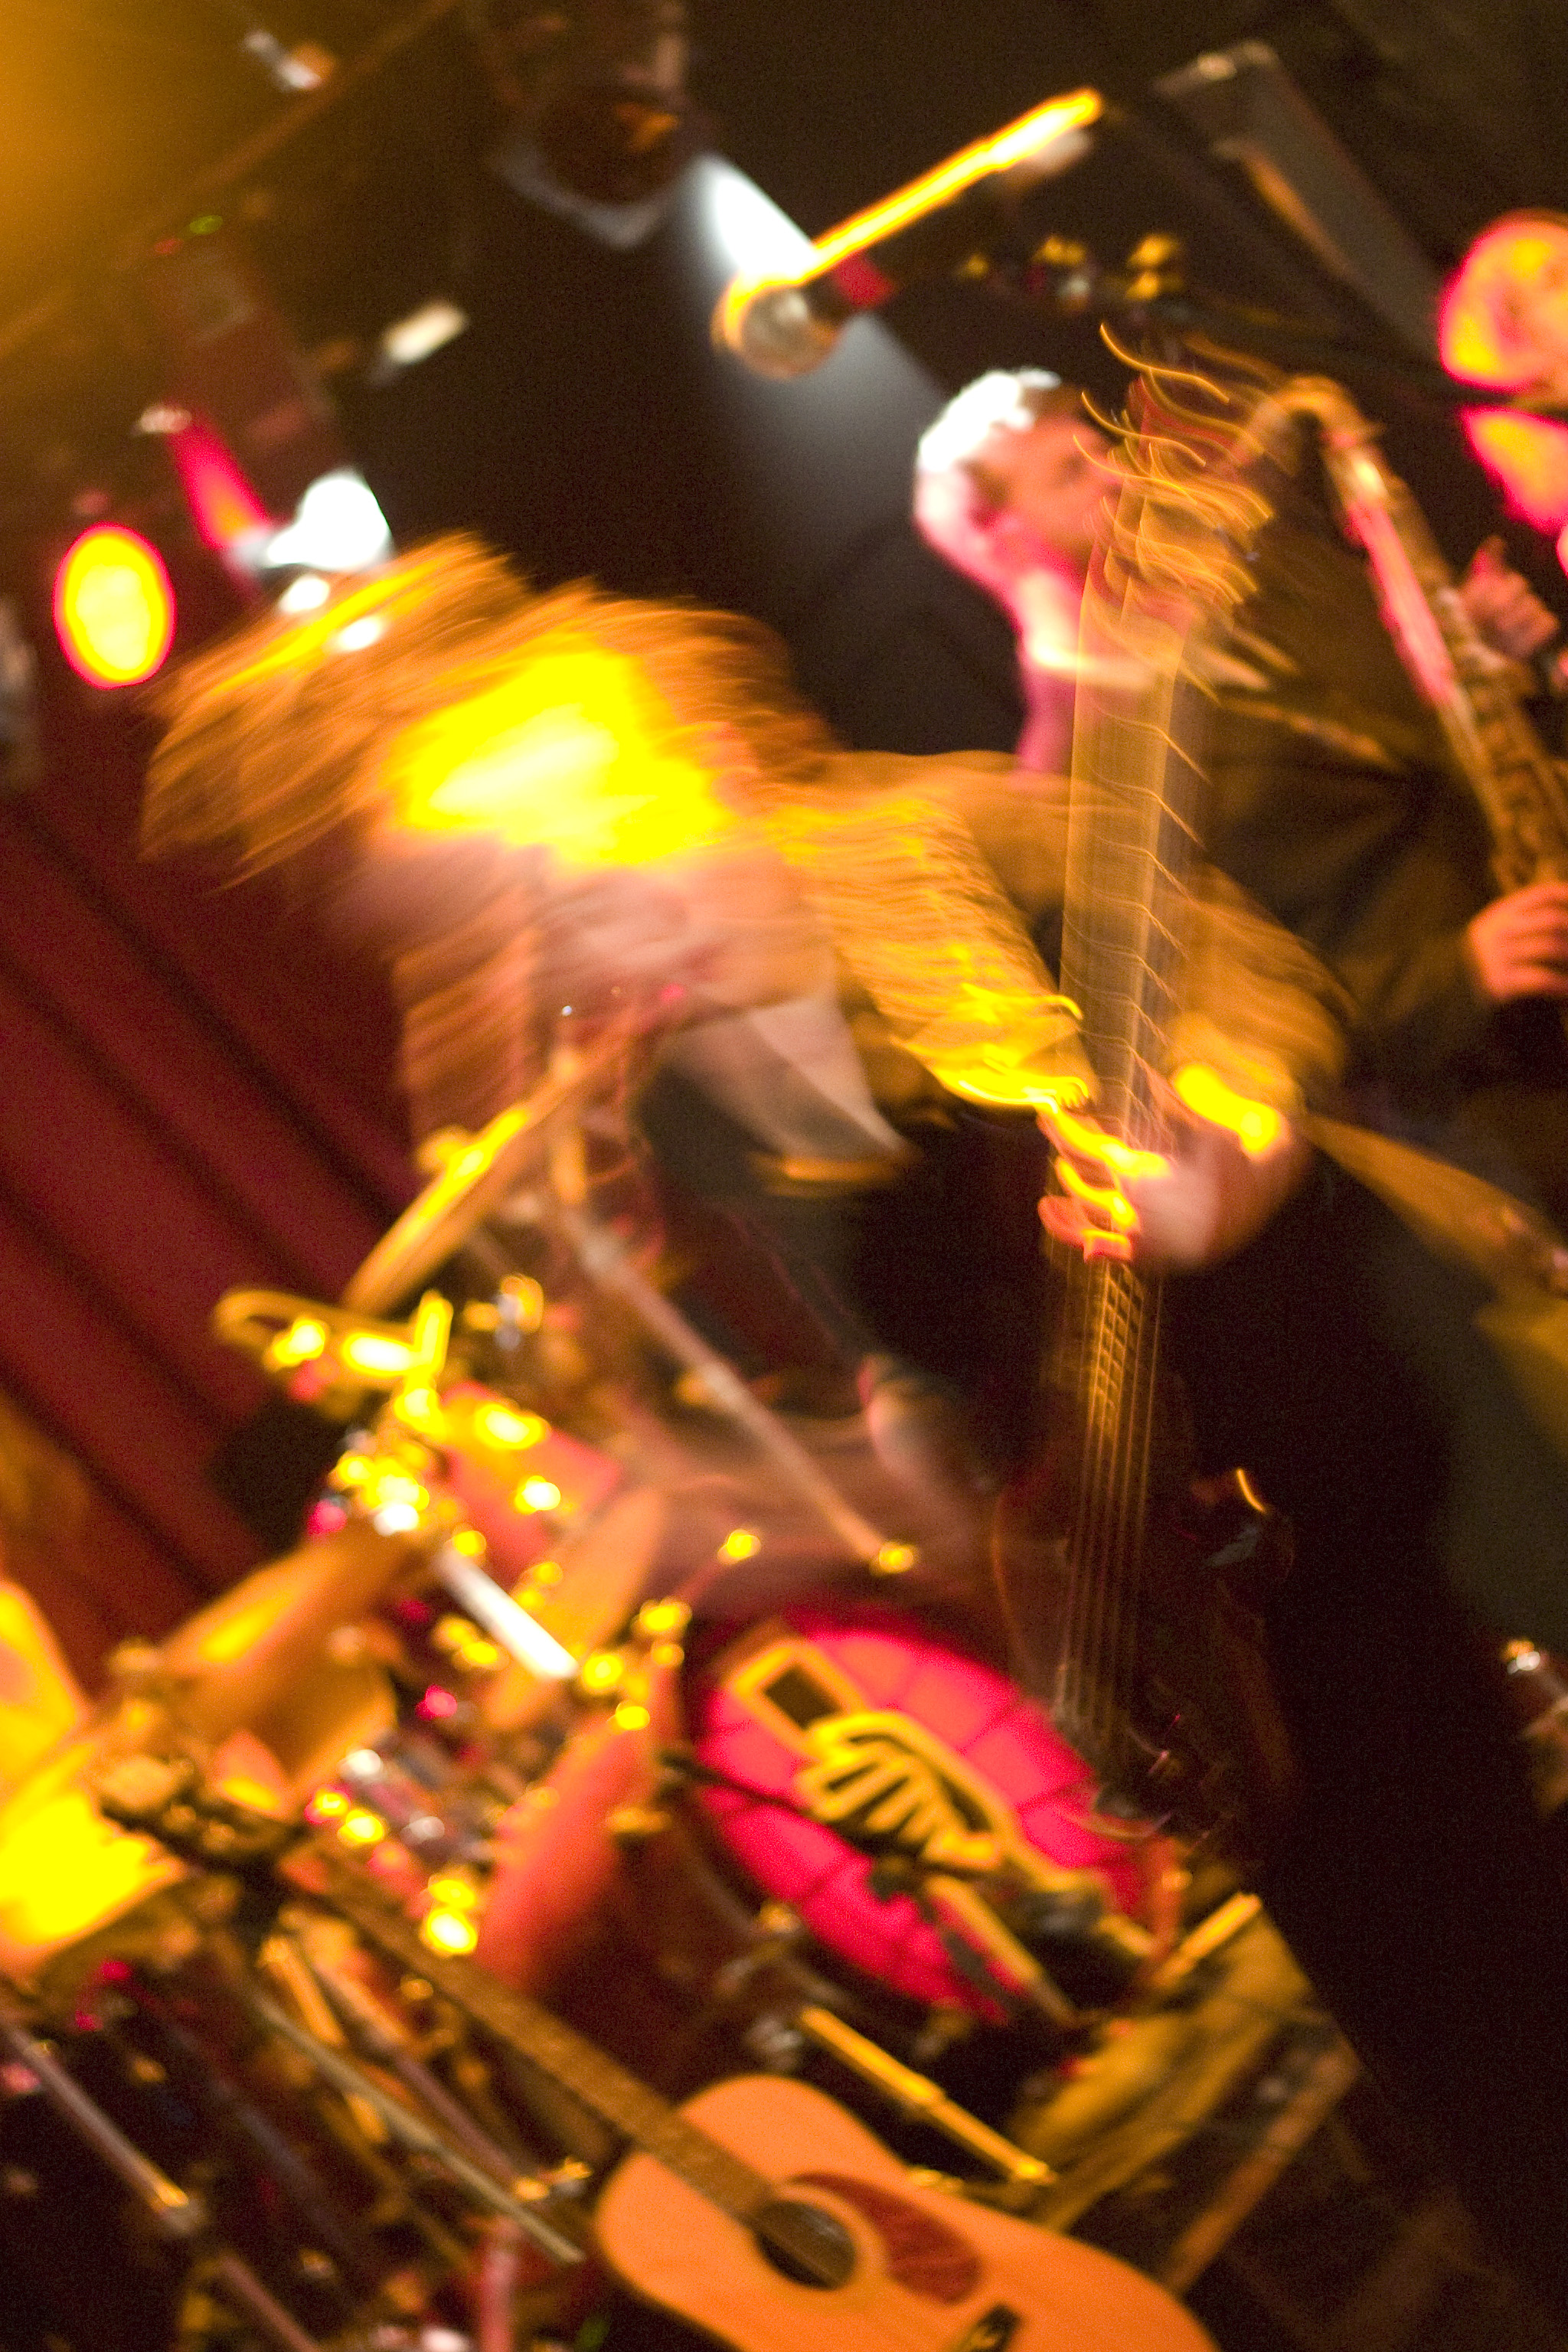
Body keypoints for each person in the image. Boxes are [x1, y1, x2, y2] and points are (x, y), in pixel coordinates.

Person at [913, 370, 1111, 773]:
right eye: (1071, 473)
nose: (1118, 477)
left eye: (1104, 454)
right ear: (1006, 544)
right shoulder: (1063, 774)